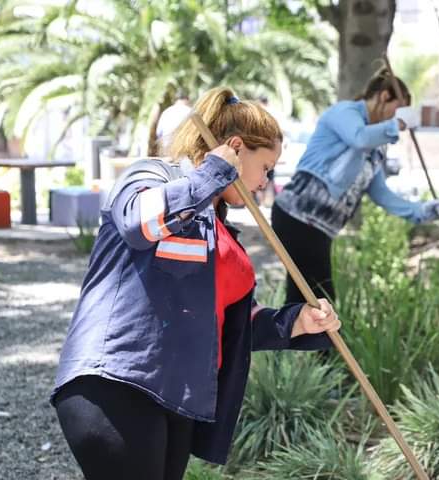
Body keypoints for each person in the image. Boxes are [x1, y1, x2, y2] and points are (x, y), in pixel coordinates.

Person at [51, 87, 340, 480]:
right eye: (265, 167)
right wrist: (214, 173)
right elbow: (139, 223)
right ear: (235, 148)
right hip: (118, 379)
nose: (264, 182)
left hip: (174, 395)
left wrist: (296, 322)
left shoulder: (218, 226)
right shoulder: (152, 175)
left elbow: (224, 322)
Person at [271, 68, 439, 305]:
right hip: (296, 216)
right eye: (398, 109)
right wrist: (397, 124)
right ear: (384, 96)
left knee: (308, 298)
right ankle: (295, 330)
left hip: (320, 228)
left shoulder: (377, 147)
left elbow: (381, 194)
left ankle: (289, 329)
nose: (398, 118)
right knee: (317, 298)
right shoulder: (345, 112)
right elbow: (359, 138)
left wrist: (421, 210)